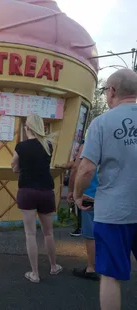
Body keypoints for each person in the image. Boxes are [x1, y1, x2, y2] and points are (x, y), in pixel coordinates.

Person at [74, 68, 137, 310]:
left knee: (110, 276)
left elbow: (86, 169)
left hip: (113, 213)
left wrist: (78, 195)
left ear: (112, 91)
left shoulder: (101, 123)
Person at [11, 114, 62, 283]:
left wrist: (22, 168)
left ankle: (35, 274)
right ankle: (54, 266)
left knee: (30, 234)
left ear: (27, 127)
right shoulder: (48, 145)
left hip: (27, 191)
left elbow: (14, 167)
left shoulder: (21, 147)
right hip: (46, 191)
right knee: (48, 233)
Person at [68, 138, 100, 281]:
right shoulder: (114, 141)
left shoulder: (88, 144)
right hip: (110, 196)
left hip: (89, 195)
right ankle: (109, 266)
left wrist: (72, 191)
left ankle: (91, 268)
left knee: (90, 234)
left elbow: (78, 168)